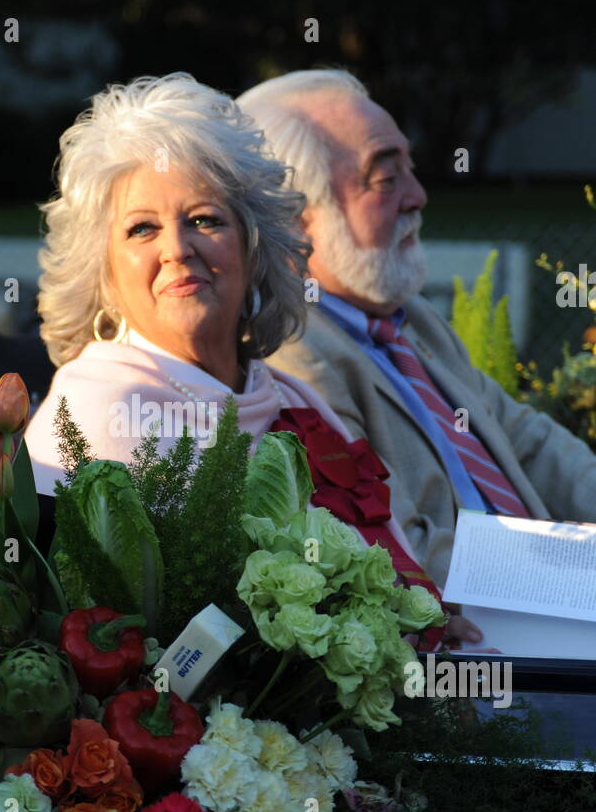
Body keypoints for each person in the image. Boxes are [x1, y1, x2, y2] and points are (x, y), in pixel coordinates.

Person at [24, 72, 480, 646]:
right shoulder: (97, 411)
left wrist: (426, 628)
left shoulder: (289, 395)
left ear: (253, 244)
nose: (177, 248)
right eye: (142, 229)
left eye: (205, 219)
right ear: (105, 273)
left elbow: (397, 575)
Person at [238, 69, 596, 590]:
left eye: (411, 169)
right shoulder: (289, 351)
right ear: (293, 220)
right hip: (482, 642)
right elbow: (399, 545)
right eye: (385, 179)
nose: (418, 196)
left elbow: (529, 440)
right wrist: (566, 578)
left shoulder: (409, 318)